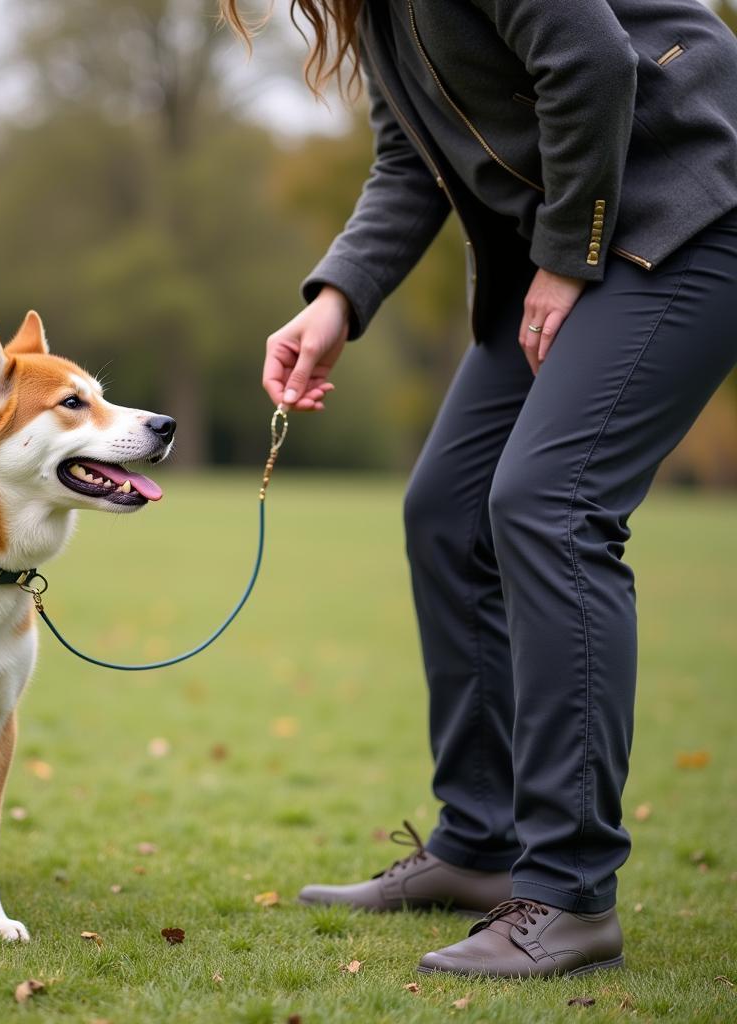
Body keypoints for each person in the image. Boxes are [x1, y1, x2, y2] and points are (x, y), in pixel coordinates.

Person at [222, 0, 737, 978]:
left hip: (686, 205)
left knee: (549, 503)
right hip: (582, 240)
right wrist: (336, 300)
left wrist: (562, 255)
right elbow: (413, 161)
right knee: (447, 511)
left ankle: (569, 889)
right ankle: (480, 843)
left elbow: (592, 61)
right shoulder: (376, 15)